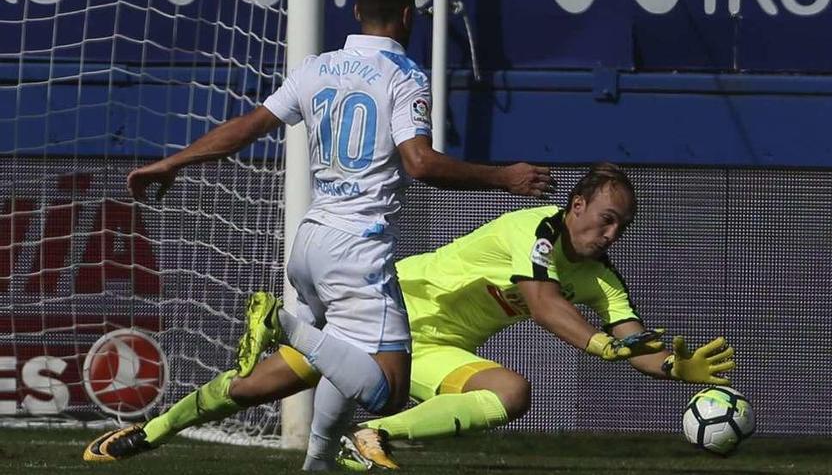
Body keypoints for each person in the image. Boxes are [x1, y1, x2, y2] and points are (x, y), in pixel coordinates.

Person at [82, 0, 553, 470]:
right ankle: (281, 324)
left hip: (310, 243)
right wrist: (504, 177)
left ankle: (318, 463)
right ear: (409, 16)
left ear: (355, 11)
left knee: (341, 360)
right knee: (385, 392)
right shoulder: (404, 75)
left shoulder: (317, 67)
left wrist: (173, 162)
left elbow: (247, 127)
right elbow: (420, 163)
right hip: (357, 248)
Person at [82, 163, 732, 470]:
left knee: (512, 391)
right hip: (385, 312)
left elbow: (633, 339)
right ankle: (151, 430)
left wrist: (675, 366)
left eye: (624, 226)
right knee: (254, 387)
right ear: (578, 202)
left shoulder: (600, 276)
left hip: (436, 347)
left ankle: (374, 437)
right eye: (607, 218)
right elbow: (543, 304)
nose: (613, 233)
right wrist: (607, 348)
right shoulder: (537, 228)